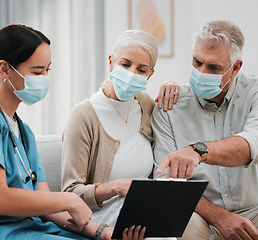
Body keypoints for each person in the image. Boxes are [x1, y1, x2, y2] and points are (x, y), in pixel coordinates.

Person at [0, 24, 142, 240]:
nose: (43, 78)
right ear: (4, 69)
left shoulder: (24, 133)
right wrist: (69, 200)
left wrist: (102, 232)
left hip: (30, 229)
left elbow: (46, 205)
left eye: (47, 70)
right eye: (37, 71)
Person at [152, 20, 258, 240]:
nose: (201, 72)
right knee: (177, 227)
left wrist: (198, 151)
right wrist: (219, 217)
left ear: (235, 67)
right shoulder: (170, 106)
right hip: (201, 215)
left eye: (214, 67)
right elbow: (167, 182)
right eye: (197, 62)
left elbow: (257, 145)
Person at [61, 29, 180, 229]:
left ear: (150, 75)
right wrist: (116, 187)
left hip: (140, 211)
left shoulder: (145, 105)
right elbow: (69, 193)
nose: (131, 73)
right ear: (111, 62)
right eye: (125, 64)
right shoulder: (82, 116)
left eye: (141, 70)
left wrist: (173, 86)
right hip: (99, 217)